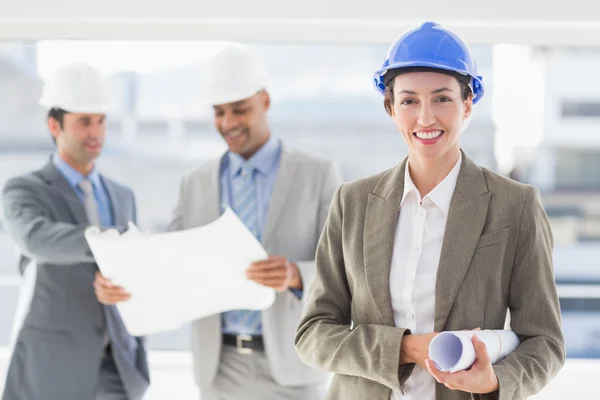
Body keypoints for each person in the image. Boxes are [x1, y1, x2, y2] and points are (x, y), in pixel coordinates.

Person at [295, 21, 565, 400]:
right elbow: (314, 333)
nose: (425, 118)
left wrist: (495, 381)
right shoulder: (352, 203)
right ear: (390, 108)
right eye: (409, 101)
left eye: (442, 98)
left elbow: (545, 341)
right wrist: (405, 348)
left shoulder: (514, 206)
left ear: (467, 103)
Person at [94, 44, 343, 400]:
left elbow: (344, 267)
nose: (228, 123)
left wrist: (295, 275)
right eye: (219, 112)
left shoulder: (318, 174)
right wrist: (118, 279)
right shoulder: (195, 183)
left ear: (265, 101)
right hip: (219, 368)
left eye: (239, 109)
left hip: (293, 364)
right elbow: (166, 260)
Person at [2, 62, 149, 400]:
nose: (95, 131)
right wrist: (110, 244)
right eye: (84, 121)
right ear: (55, 125)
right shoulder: (25, 190)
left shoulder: (122, 195)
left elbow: (136, 268)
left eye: (100, 120)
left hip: (119, 370)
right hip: (52, 372)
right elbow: (36, 239)